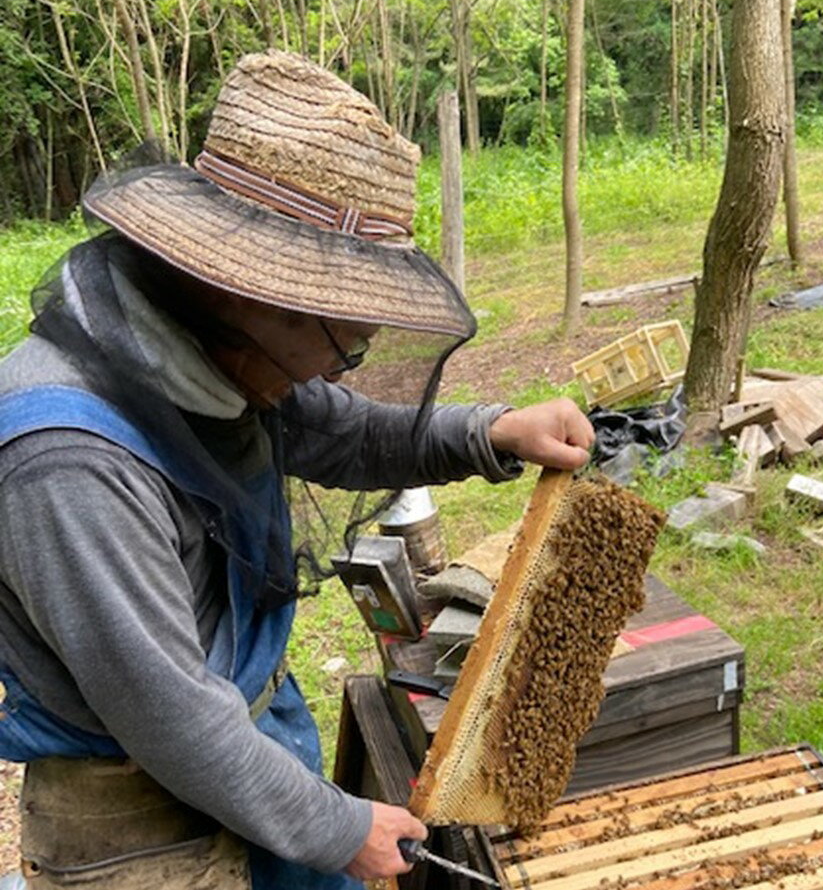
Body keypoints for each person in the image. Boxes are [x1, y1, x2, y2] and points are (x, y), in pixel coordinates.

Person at [0, 50, 594, 889]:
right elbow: (169, 717)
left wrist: (496, 431)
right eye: (334, 335)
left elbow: (345, 435)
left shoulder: (207, 351)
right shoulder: (67, 463)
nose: (335, 368)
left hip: (249, 744)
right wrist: (336, 824)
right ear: (242, 290)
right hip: (142, 824)